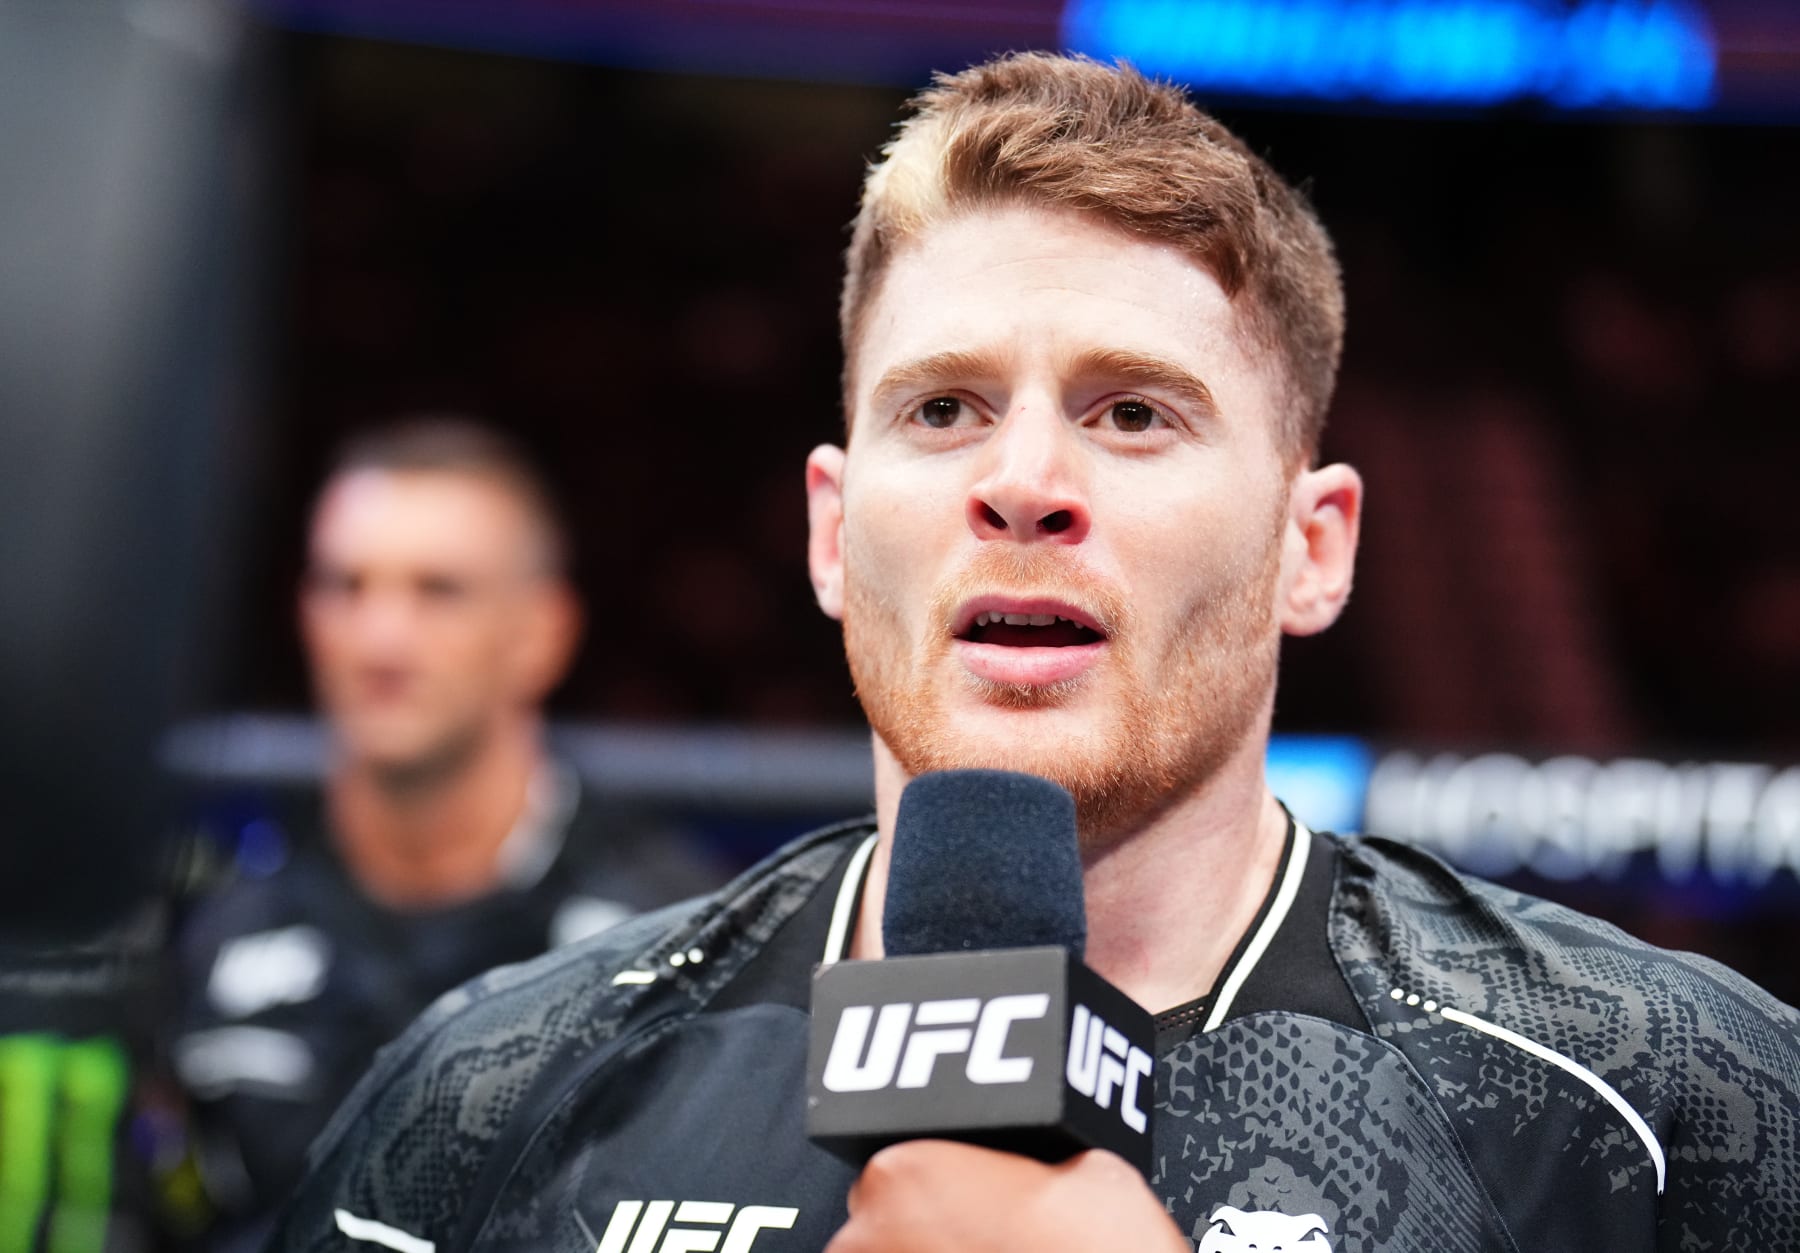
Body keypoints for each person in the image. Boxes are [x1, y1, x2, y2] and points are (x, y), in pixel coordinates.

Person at [265, 58, 1800, 1253]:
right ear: (829, 526)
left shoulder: (1670, 1103)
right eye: (941, 409)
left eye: (1134, 411)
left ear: (1309, 547)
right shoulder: (490, 1095)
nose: (1022, 478)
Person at [170, 418, 722, 1252]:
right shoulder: (199, 925)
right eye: (346, 586)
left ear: (541, 632)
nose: (381, 638)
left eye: (438, 590)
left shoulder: (682, 935)